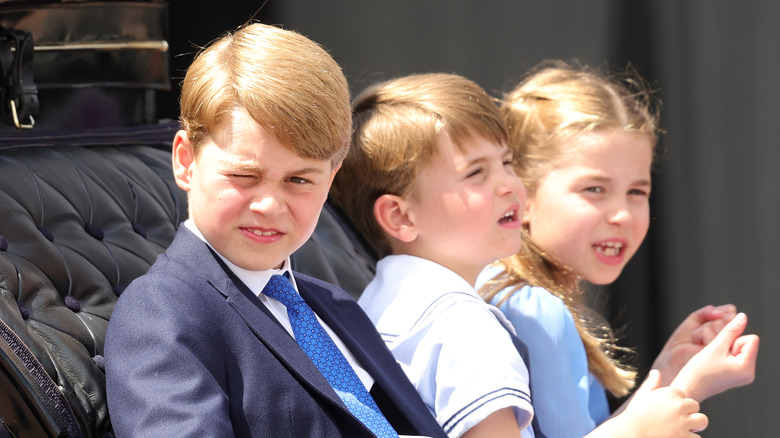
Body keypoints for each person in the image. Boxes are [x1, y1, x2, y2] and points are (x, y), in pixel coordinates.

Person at [104, 22, 448, 438]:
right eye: (244, 176)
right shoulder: (162, 313)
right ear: (185, 161)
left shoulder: (333, 305)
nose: (268, 205)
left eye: (299, 180)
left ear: (331, 178)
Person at [329, 72, 709, 438]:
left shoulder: (372, 304)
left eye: (507, 163)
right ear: (400, 216)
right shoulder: (468, 327)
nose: (509, 185)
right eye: (476, 172)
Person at [478, 61, 759, 437]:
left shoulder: (507, 288)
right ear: (522, 195)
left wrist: (672, 371)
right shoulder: (532, 308)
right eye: (594, 189)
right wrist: (691, 387)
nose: (622, 215)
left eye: (637, 192)